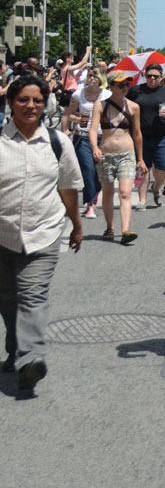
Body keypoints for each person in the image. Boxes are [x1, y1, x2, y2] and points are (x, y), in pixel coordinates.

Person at [0, 73, 84, 392]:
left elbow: (68, 187)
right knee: (7, 299)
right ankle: (15, 349)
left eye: (37, 100)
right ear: (10, 103)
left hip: (44, 233)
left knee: (32, 296)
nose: (31, 105)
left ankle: (31, 358)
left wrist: (76, 226)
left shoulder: (56, 141)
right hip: (2, 236)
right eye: (23, 99)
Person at [90, 70, 147, 243]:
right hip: (106, 154)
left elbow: (137, 134)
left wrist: (141, 158)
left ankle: (125, 230)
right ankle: (110, 227)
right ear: (112, 86)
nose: (125, 88)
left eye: (127, 84)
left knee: (125, 192)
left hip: (126, 154)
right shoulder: (100, 105)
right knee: (107, 193)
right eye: (121, 85)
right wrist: (94, 147)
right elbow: (93, 129)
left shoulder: (133, 107)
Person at [127, 63, 165, 208]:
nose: (152, 78)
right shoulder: (135, 91)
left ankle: (156, 188)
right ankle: (142, 200)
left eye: (155, 76)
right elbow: (124, 107)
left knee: (163, 168)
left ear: (161, 77)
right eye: (149, 75)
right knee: (143, 168)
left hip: (163, 136)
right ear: (144, 76)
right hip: (141, 137)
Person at [65, 69, 104, 220]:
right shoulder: (78, 94)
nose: (92, 78)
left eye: (96, 76)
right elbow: (69, 113)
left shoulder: (107, 95)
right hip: (83, 136)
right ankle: (90, 205)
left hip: (103, 137)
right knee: (87, 169)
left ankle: (94, 192)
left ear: (101, 79)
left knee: (100, 172)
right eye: (90, 76)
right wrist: (78, 119)